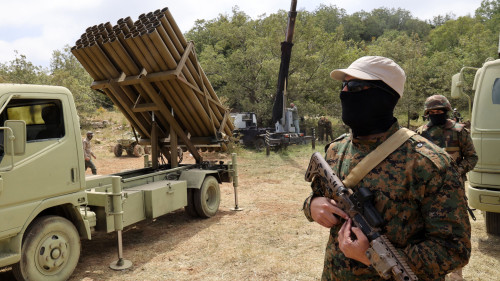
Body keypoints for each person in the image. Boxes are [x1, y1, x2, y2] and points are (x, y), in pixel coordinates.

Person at [302, 56, 471, 280]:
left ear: (384, 96)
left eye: (355, 86)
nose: (345, 93)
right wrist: (312, 205)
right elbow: (318, 196)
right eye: (343, 86)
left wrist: (373, 258)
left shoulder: (427, 163)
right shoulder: (336, 148)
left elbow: (454, 249)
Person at [417, 95, 478, 281]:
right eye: (432, 112)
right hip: (427, 191)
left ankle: (457, 272)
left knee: (457, 228)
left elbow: (472, 157)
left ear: (447, 111)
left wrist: (456, 172)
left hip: (454, 190)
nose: (436, 114)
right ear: (427, 113)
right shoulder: (421, 132)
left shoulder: (459, 131)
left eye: (440, 111)